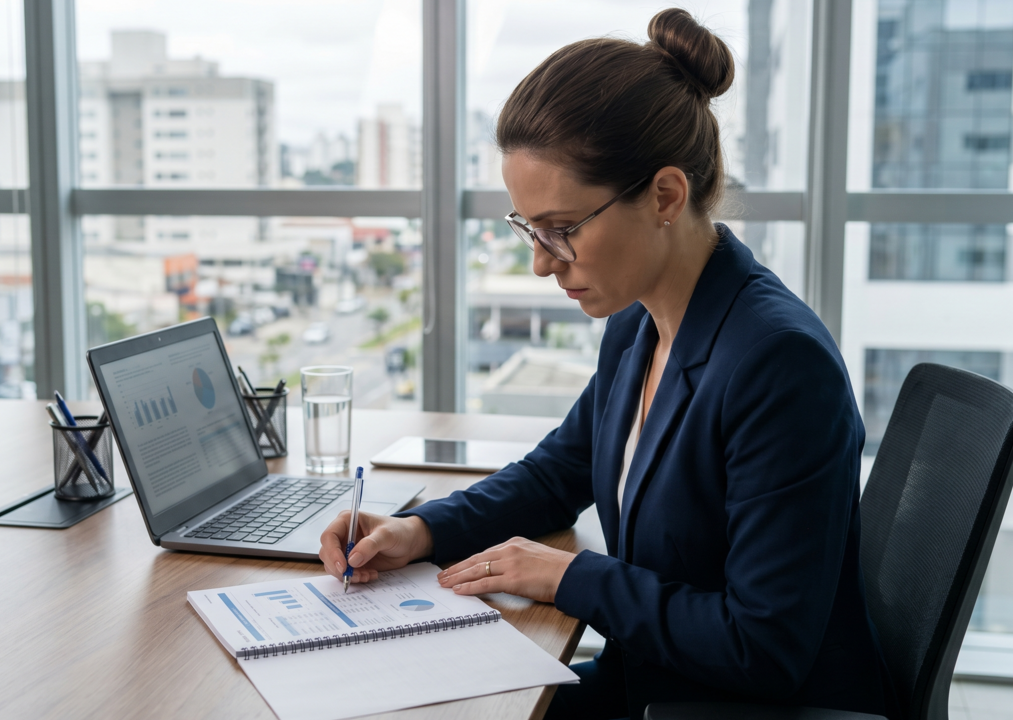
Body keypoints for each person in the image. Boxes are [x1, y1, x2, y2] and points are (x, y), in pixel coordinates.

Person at [319, 8, 893, 719]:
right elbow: (560, 471)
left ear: (665, 196)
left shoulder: (778, 365)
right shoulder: (639, 322)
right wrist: (421, 531)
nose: (539, 262)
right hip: (651, 682)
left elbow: (763, 646)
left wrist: (571, 578)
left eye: (562, 230)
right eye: (529, 228)